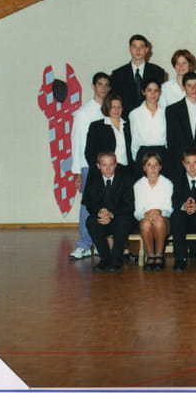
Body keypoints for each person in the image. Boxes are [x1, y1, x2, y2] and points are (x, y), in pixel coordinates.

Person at [68, 71, 110, 260]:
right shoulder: (83, 113)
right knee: (87, 206)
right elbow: (76, 143)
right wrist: (78, 172)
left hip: (109, 167)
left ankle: (102, 244)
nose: (103, 88)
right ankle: (84, 245)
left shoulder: (111, 111)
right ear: (93, 86)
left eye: (106, 85)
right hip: (89, 167)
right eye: (100, 84)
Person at [82, 151, 135, 273]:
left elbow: (129, 204)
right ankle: (105, 259)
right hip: (102, 216)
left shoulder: (126, 178)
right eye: (104, 165)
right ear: (98, 166)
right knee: (91, 221)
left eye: (111, 165)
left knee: (123, 222)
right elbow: (89, 202)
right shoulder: (93, 178)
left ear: (116, 164)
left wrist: (111, 214)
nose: (108, 169)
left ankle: (116, 259)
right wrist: (100, 211)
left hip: (120, 217)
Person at [133, 152, 174, 271]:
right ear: (144, 168)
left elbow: (170, 209)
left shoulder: (167, 183)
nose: (153, 168)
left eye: (156, 165)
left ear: (160, 167)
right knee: (145, 223)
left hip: (164, 220)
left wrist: (159, 212)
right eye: (149, 165)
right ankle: (150, 256)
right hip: (146, 218)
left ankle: (159, 255)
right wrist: (145, 214)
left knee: (159, 221)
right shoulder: (138, 185)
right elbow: (137, 211)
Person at [110, 33, 166, 118]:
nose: (138, 50)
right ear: (130, 49)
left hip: (151, 119)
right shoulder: (118, 74)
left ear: (146, 50)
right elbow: (115, 101)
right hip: (126, 121)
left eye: (141, 47)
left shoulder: (158, 72)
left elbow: (160, 100)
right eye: (134, 46)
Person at [165, 71, 196, 174]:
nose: (193, 89)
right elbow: (171, 139)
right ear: (183, 88)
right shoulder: (172, 110)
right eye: (189, 85)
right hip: (180, 161)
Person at [129, 78, 170, 179]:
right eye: (149, 90)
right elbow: (134, 139)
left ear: (160, 93)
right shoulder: (135, 113)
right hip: (143, 154)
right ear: (143, 92)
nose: (153, 94)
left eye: (156, 90)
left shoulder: (166, 112)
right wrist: (137, 159)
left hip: (162, 153)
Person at [84, 93, 132, 174]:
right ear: (107, 108)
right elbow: (89, 153)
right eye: (113, 107)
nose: (116, 110)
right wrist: (100, 172)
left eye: (119, 107)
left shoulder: (128, 126)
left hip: (126, 171)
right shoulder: (97, 127)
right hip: (104, 172)